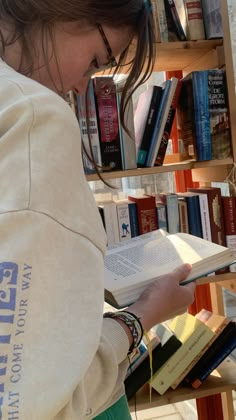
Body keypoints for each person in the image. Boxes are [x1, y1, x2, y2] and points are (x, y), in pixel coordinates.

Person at [0, 1, 196, 419]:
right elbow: (33, 399)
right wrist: (140, 317)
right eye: (95, 61)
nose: (79, 84)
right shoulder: (34, 117)